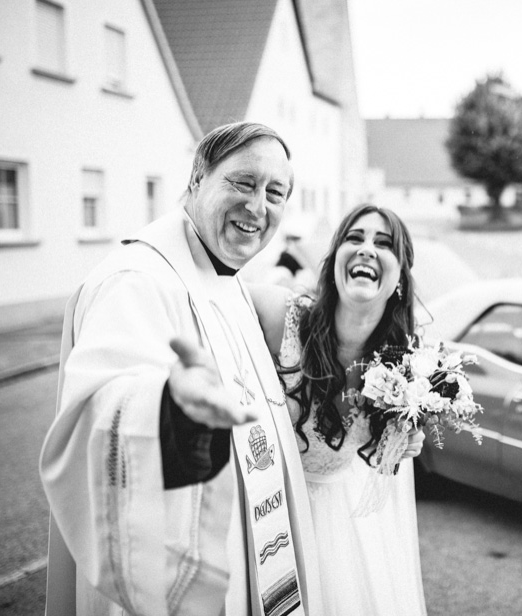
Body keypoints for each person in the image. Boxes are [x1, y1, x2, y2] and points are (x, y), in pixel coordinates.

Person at [40, 122, 322, 616]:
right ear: (196, 179)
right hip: (179, 569)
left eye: (274, 192)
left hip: (256, 549)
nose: (258, 207)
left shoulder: (227, 281)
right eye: (242, 183)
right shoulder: (136, 280)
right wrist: (170, 409)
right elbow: (101, 401)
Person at [252, 204, 428, 616]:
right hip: (266, 518)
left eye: (383, 244)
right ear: (334, 264)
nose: (367, 249)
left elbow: (386, 464)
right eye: (355, 238)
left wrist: (406, 441)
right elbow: (210, 293)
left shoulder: (404, 369)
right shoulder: (282, 316)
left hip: (335, 534)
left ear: (399, 278)